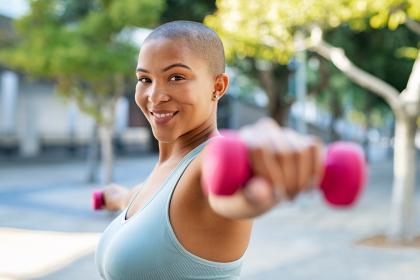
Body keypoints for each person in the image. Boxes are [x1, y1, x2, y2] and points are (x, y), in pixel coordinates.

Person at [95, 20, 322, 280]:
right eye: (145, 79)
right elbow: (151, 203)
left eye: (176, 77)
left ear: (218, 87)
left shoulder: (209, 163)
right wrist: (116, 198)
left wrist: (258, 166)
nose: (155, 96)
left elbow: (227, 192)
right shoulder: (168, 166)